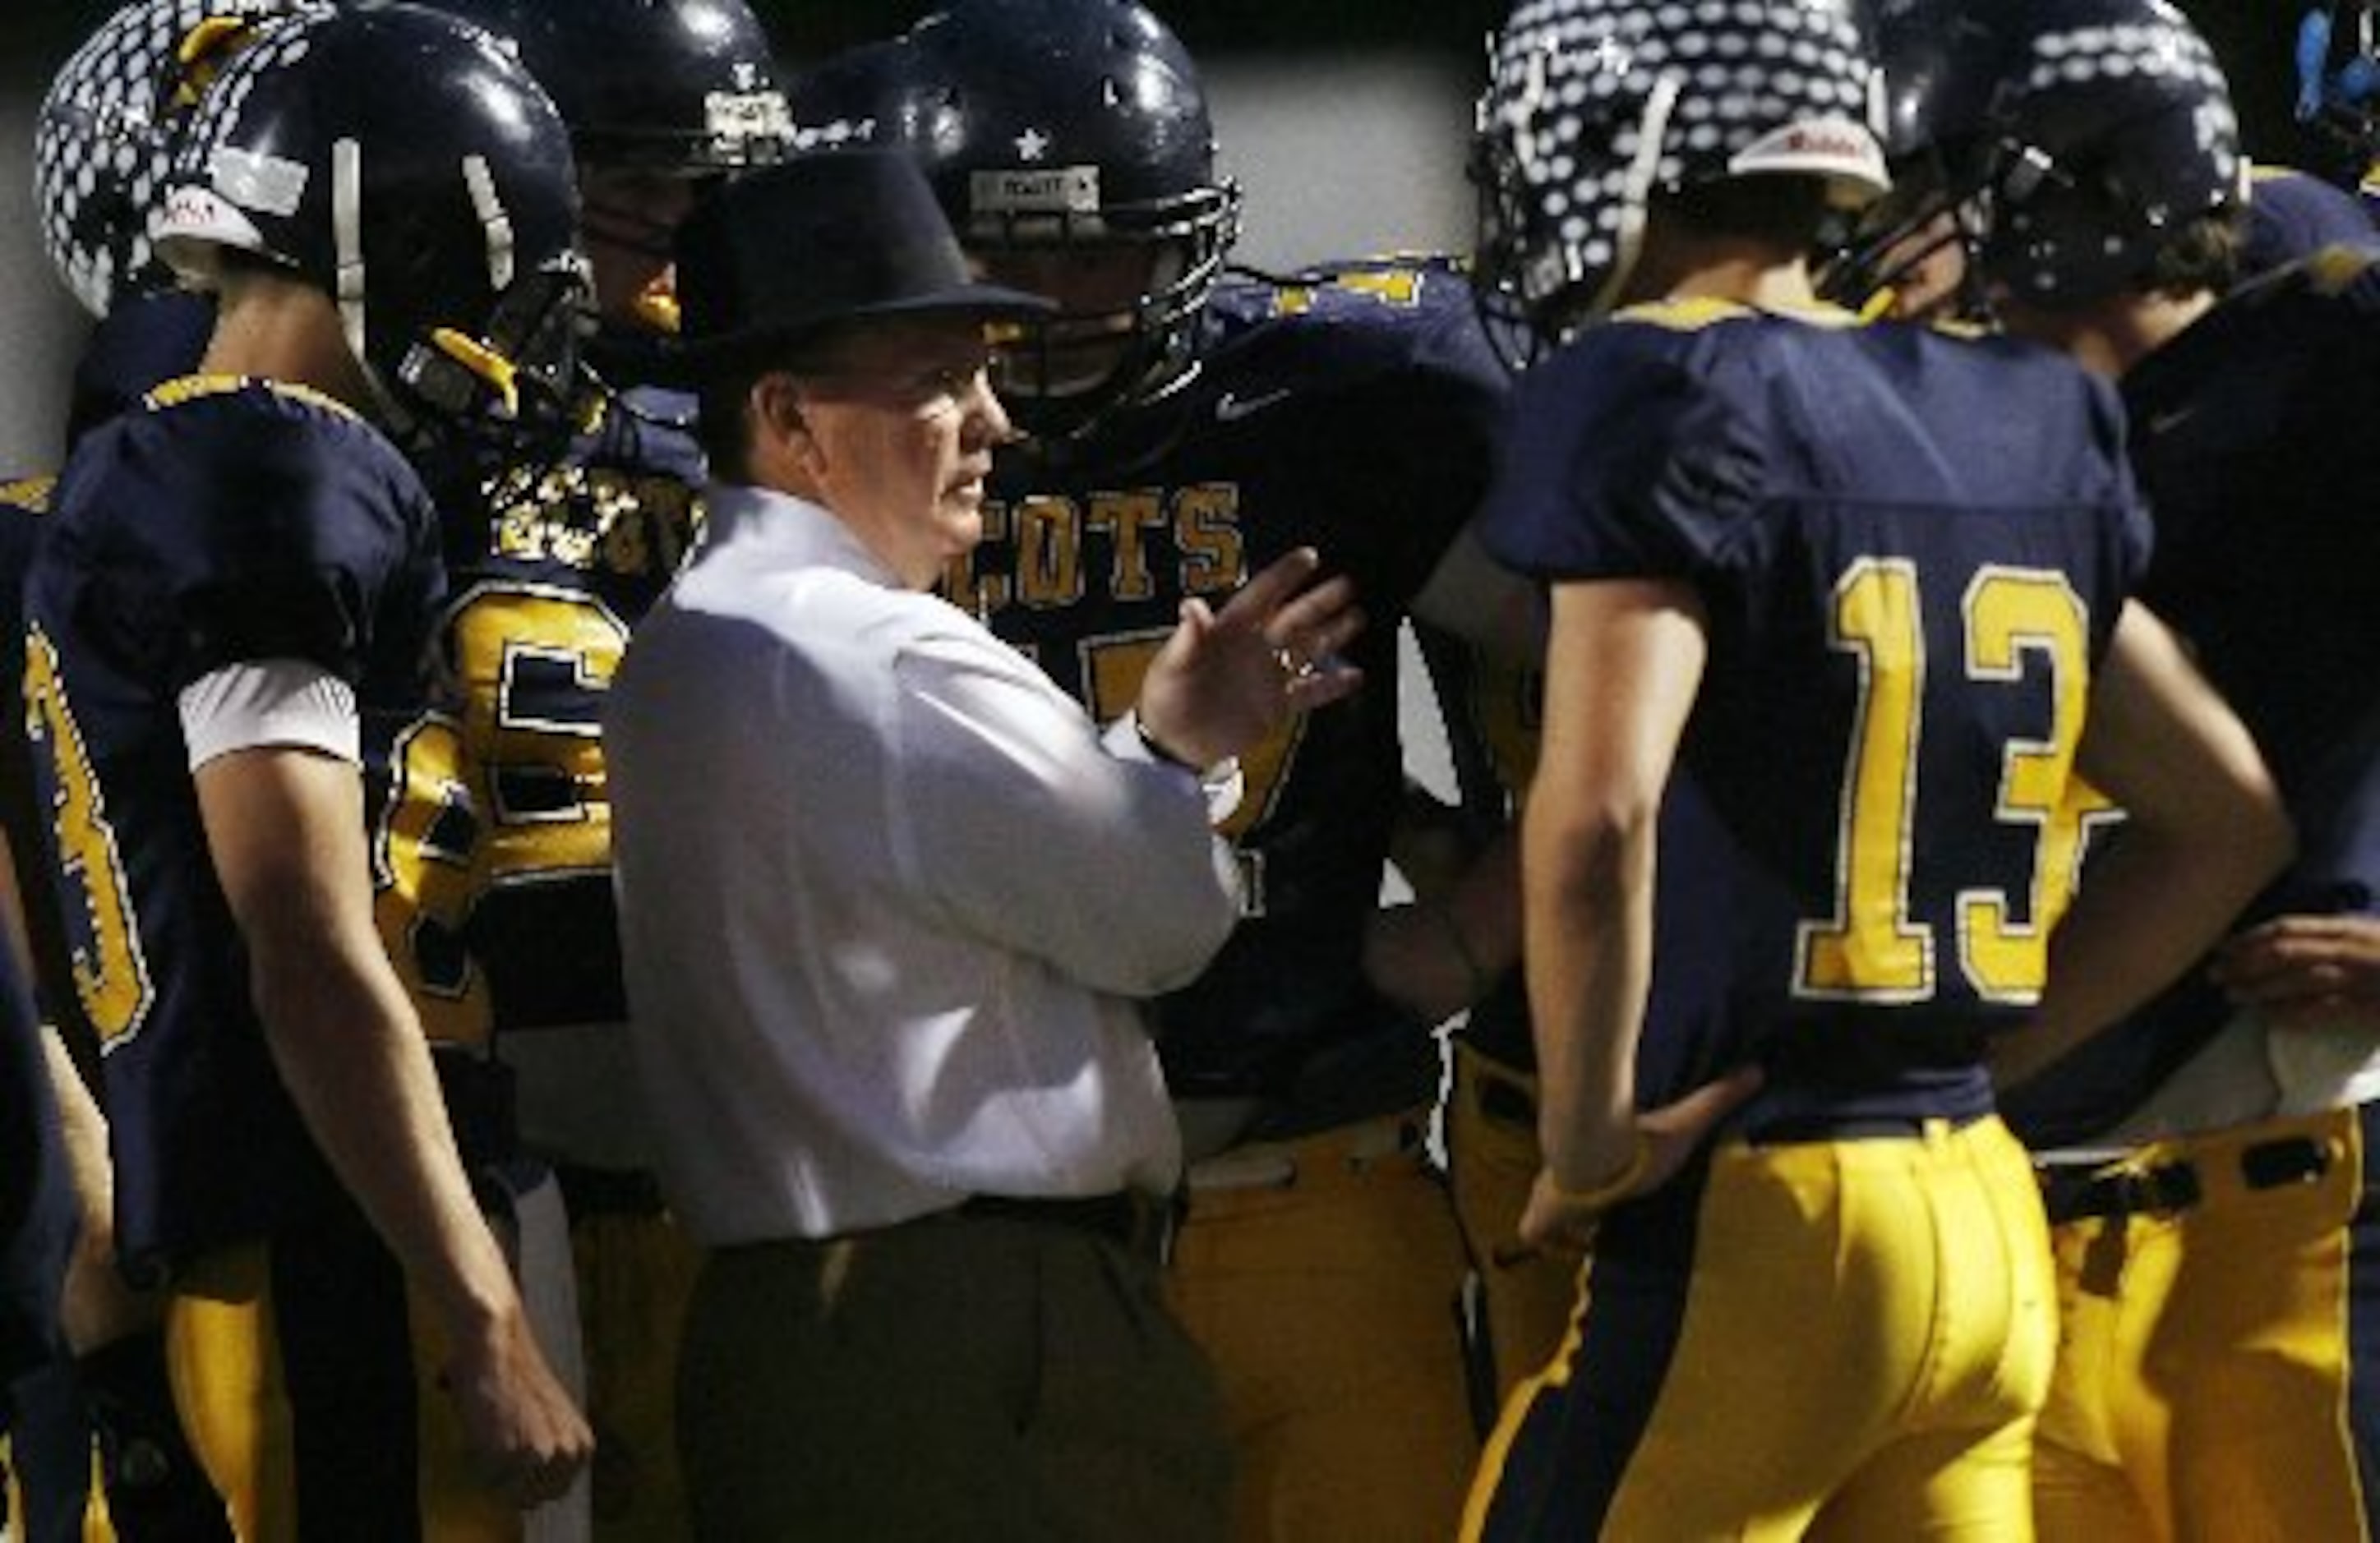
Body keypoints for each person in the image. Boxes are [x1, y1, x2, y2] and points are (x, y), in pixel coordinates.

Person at [1457, 0, 2291, 1536]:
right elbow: (2226, 814)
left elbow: (1600, 814)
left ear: (1622, 139)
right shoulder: (2027, 409)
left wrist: (1585, 1144)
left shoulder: (1656, 382)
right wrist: (1983, 1065)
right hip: (1980, 1207)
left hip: (1764, 1224)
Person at [794, 6, 1534, 1533]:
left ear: (1192, 237)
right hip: (972, 1224)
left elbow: (1642, 679)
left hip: (1312, 1174)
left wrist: (1473, 925)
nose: (1060, 304)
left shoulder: (1339, 397)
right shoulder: (822, 431)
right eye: (1010, 261)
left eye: (1104, 252)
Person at [606, 145, 1365, 1541]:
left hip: (779, 1325)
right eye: (938, 378)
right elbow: (1161, 924)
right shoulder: (886, 651)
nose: (992, 420)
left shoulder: (676, 646)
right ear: (789, 415)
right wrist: (1179, 745)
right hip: (972, 1324)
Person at [21, 5, 595, 1534]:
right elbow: (304, 943)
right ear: (395, 246)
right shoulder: (262, 473)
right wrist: (480, 1309)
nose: (525, 328)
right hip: (313, 1262)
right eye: (503, 277)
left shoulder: (166, 466)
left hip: (225, 1249)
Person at [1967, 1, 2380, 1535]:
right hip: (2031, 1214)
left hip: (2297, 1177)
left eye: (1957, 180)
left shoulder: (2326, 353)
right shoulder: (1954, 429)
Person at [393, 2, 790, 1534]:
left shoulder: (786, 415)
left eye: (719, 181)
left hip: (744, 1148)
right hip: (484, 1136)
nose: (690, 227)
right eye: (643, 175)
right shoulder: (413, 421)